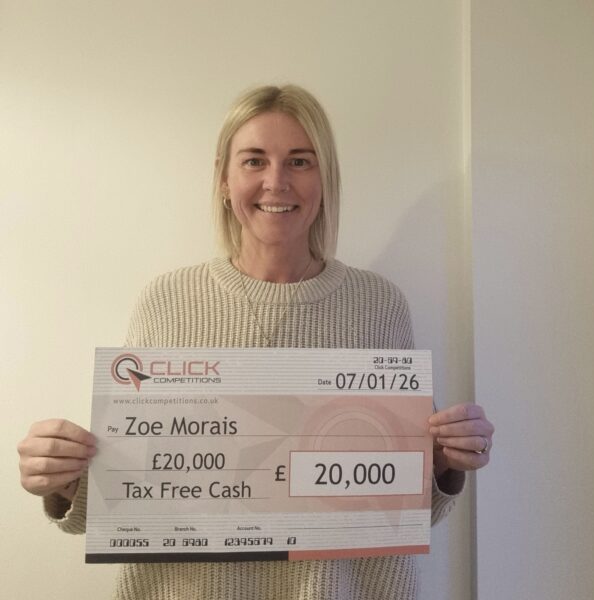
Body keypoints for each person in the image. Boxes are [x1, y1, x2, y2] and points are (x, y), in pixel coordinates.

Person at [18, 84, 494, 600]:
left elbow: (404, 505)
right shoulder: (166, 300)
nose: (276, 181)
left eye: (300, 161)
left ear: (325, 179)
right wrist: (63, 479)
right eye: (254, 161)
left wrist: (446, 460)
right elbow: (142, 489)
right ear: (223, 179)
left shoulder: (380, 304)